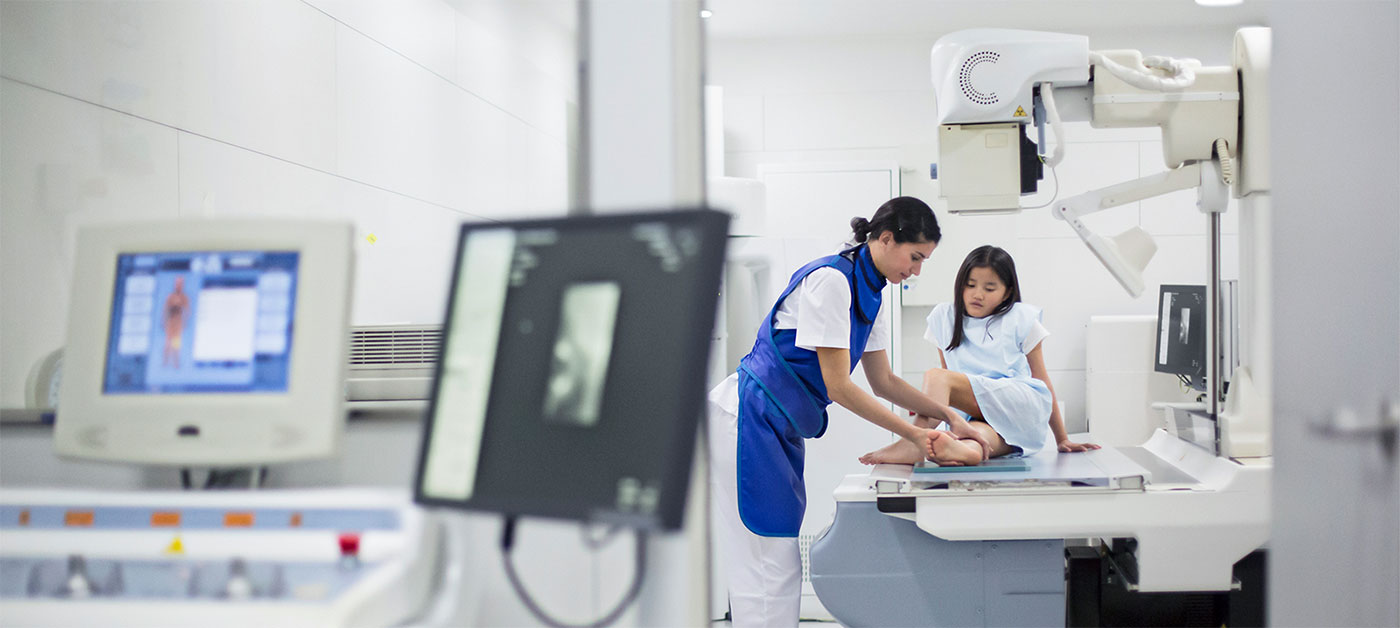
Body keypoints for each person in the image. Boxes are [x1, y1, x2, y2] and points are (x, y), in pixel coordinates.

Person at [707, 196, 990, 628]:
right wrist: (914, 436)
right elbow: (839, 386)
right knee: (766, 561)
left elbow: (884, 382)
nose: (916, 271)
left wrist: (945, 413)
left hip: (776, 424)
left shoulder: (870, 291)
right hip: (747, 416)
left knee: (775, 559)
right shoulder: (831, 281)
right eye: (914, 257)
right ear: (885, 239)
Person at [861, 245, 1099, 467]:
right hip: (981, 416)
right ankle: (960, 451)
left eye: (989, 288)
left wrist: (1062, 439)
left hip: (1019, 405)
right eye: (970, 285)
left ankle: (914, 443)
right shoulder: (945, 318)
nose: (978, 294)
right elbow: (947, 395)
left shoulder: (1021, 318)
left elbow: (1042, 381)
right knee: (973, 444)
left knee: (938, 377)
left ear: (1007, 293)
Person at [162, 275, 190, 368]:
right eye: (177, 283)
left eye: (180, 284)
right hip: (170, 321)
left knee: (176, 343)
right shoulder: (170, 296)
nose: (178, 285)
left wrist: (185, 322)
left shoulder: (184, 297)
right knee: (167, 343)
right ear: (175, 285)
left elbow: (187, 310)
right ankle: (165, 362)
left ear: (182, 285)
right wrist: (164, 321)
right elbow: (165, 309)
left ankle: (176, 363)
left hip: (178, 321)